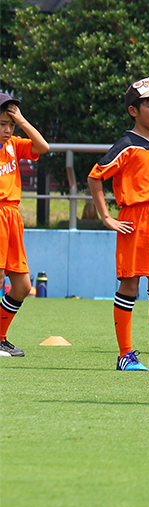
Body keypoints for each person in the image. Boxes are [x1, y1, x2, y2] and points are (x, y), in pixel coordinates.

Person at [88, 78, 149, 373]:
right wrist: (107, 216)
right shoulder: (126, 144)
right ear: (133, 110)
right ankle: (125, 354)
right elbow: (95, 176)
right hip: (134, 219)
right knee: (130, 282)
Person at [0, 93, 50, 357]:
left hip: (12, 218)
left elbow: (42, 147)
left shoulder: (14, 144)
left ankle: (0, 337)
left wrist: (22, 120)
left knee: (21, 286)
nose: (7, 130)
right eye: (2, 124)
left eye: (10, 124)